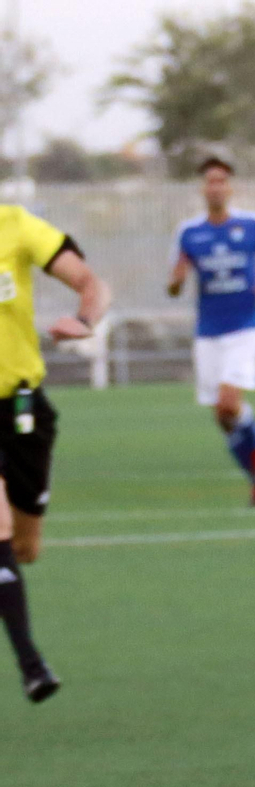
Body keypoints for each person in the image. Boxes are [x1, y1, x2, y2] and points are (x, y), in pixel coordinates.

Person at [0, 203, 111, 700]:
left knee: (25, 548)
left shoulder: (16, 225)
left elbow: (91, 283)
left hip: (23, 409)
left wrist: (85, 319)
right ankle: (32, 664)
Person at [168, 157, 255, 503]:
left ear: (231, 188)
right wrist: (176, 281)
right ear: (202, 189)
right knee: (222, 416)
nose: (216, 187)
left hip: (245, 327)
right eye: (210, 181)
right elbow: (174, 285)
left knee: (228, 402)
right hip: (208, 331)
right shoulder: (189, 233)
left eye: (222, 180)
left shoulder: (252, 224)